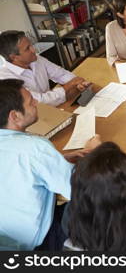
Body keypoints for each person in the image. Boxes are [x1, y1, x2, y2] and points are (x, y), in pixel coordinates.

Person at [0, 79, 100, 250]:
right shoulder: (35, 148)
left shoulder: (28, 151)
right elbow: (82, 190)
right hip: (32, 245)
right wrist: (96, 153)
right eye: (31, 102)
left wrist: (58, 158)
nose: (36, 102)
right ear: (14, 116)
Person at [0, 31, 91, 107]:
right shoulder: (5, 79)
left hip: (55, 105)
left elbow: (60, 74)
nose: (34, 50)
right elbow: (40, 101)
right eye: (27, 48)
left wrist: (78, 83)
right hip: (36, 119)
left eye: (31, 45)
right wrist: (71, 84)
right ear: (14, 57)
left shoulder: (36, 59)